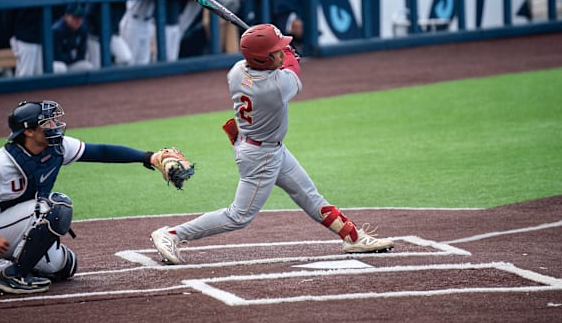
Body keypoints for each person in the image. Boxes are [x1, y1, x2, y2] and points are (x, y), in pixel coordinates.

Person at [150, 24, 394, 265]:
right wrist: (289, 55)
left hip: (263, 146)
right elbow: (293, 69)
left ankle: (352, 237)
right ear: (263, 59)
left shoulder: (236, 71)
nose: (283, 50)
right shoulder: (275, 88)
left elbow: (283, 62)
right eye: (276, 50)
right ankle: (172, 234)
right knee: (239, 216)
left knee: (309, 196)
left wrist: (280, 51)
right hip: (261, 156)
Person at [0, 100, 179, 294]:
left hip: (18, 225)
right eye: (47, 122)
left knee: (64, 267)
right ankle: (12, 277)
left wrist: (148, 157)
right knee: (56, 206)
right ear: (29, 131)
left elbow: (99, 151)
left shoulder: (56, 148)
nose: (54, 125)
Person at [5, 0, 50, 77]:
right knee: (25, 74)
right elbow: (8, 17)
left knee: (41, 74)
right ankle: (21, 98)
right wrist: (12, 37)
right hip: (24, 40)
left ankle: (40, 97)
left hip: (42, 39)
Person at [85, 0, 133, 68]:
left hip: (112, 33)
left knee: (125, 58)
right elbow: (88, 13)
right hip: (95, 35)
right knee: (97, 68)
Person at [52, 3, 94, 74]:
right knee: (61, 68)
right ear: (66, 16)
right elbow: (57, 56)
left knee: (88, 67)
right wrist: (72, 55)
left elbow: (81, 55)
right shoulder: (57, 30)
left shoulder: (82, 29)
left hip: (71, 64)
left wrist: (71, 56)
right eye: (75, 17)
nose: (78, 21)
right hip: (57, 65)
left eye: (80, 17)